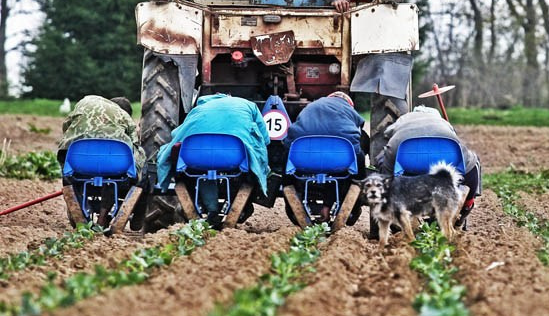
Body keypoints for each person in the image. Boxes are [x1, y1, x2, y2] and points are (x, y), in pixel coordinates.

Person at [156, 93, 270, 216]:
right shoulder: (249, 105)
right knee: (248, 163)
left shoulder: (198, 110)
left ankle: (211, 210)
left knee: (202, 171)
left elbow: (178, 134)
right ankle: (239, 206)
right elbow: (265, 139)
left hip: (197, 158)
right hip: (234, 157)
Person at [378, 106, 481, 227]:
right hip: (445, 157)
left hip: (407, 158)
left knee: (383, 162)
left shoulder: (404, 119)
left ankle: (391, 209)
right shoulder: (442, 121)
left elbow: (386, 133)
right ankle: (467, 205)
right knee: (472, 163)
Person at [284, 91, 367, 223]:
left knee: (286, 162)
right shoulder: (349, 110)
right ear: (349, 104)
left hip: (304, 158)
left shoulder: (310, 106)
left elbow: (288, 141)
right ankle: (355, 201)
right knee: (358, 161)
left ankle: (292, 201)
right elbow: (360, 134)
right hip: (340, 159)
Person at [58, 95, 144, 178]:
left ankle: (69, 183)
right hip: (115, 165)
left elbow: (66, 127)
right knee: (140, 153)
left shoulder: (86, 104)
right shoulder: (125, 117)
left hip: (78, 161)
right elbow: (135, 144)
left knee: (65, 151)